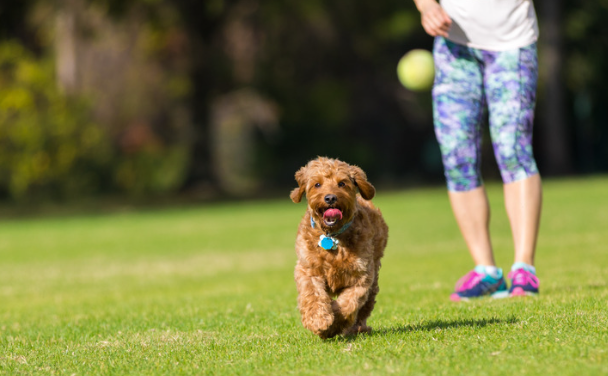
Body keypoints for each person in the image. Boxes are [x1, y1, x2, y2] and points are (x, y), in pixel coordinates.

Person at [413, 0, 542, 300]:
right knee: (457, 157)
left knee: (513, 151)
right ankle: (486, 270)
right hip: (454, 47)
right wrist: (427, 7)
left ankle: (525, 269)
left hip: (513, 43)